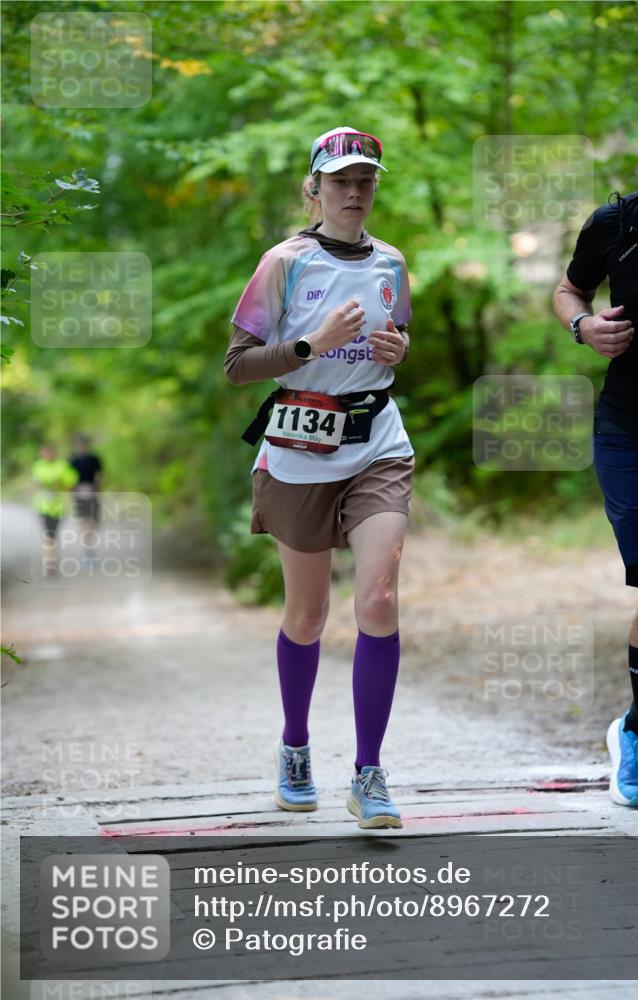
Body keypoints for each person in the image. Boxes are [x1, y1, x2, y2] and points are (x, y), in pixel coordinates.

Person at [225, 126, 414, 829]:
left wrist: (397, 347)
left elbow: (397, 337)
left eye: (365, 181)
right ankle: (296, 747)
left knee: (379, 602)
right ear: (315, 189)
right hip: (299, 448)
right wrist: (310, 344)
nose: (354, 192)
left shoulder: (392, 262)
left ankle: (368, 773)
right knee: (307, 615)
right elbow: (237, 365)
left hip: (377, 442)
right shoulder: (284, 262)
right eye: (340, 181)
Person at [553, 74, 638, 838]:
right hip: (631, 435)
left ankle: (632, 726)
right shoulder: (617, 222)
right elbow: (566, 291)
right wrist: (581, 326)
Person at [31, 444, 78, 576]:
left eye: (49, 452)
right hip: (42, 506)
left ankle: (51, 559)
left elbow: (71, 483)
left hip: (58, 507)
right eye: (44, 453)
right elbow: (34, 485)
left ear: (53, 453)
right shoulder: (37, 466)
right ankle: (49, 562)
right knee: (48, 534)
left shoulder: (62, 465)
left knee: (52, 535)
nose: (47, 455)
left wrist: (60, 485)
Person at [69, 433, 103, 562]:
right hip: (79, 492)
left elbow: (100, 475)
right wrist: (72, 493)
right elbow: (69, 479)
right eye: (79, 444)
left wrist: (97, 487)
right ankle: (88, 550)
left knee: (93, 522)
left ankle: (89, 545)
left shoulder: (94, 459)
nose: (82, 446)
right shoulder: (72, 460)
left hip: (92, 491)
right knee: (83, 521)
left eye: (83, 444)